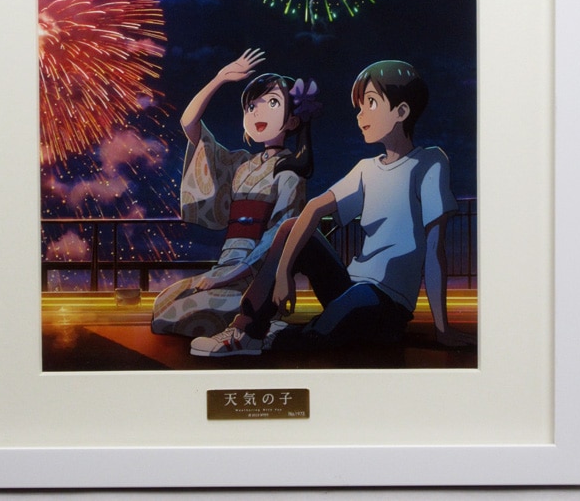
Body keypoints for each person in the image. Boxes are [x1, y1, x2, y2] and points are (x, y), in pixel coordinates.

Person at [190, 59, 475, 356]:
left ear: (401, 111)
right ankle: (246, 329)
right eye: (359, 107)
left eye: (371, 103)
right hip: (351, 286)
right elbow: (313, 209)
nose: (360, 115)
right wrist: (284, 271)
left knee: (322, 331)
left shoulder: (429, 162)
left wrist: (442, 329)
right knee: (292, 227)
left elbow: (434, 248)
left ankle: (277, 336)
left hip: (387, 302)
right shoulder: (366, 168)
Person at [151, 48, 320, 338]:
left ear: (293, 121)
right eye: (251, 106)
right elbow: (189, 124)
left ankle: (261, 324)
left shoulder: (289, 174)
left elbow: (277, 237)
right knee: (162, 304)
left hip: (256, 275)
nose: (258, 112)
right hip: (225, 267)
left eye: (272, 103)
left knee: (177, 316)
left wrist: (231, 274)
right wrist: (219, 78)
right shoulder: (240, 165)